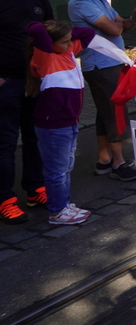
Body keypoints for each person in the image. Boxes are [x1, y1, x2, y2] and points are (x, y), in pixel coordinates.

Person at [68, 0, 136, 183]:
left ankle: (104, 159)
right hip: (100, 65)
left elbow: (122, 24)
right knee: (114, 112)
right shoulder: (80, 1)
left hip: (111, 62)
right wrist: (120, 23)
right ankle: (118, 162)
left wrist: (133, 19)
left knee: (106, 111)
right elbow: (115, 28)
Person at [27, 20, 102, 224]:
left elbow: (87, 33)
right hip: (53, 124)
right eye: (65, 41)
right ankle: (57, 211)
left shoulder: (67, 52)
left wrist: (64, 33)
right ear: (49, 43)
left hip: (69, 120)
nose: (70, 44)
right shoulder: (44, 58)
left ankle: (64, 204)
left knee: (66, 167)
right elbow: (38, 31)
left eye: (70, 40)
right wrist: (50, 31)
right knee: (56, 171)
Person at [0, 0, 51, 223]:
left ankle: (35, 189)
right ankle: (5, 199)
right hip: (6, 83)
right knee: (6, 143)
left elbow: (51, 34)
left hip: (35, 82)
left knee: (35, 138)